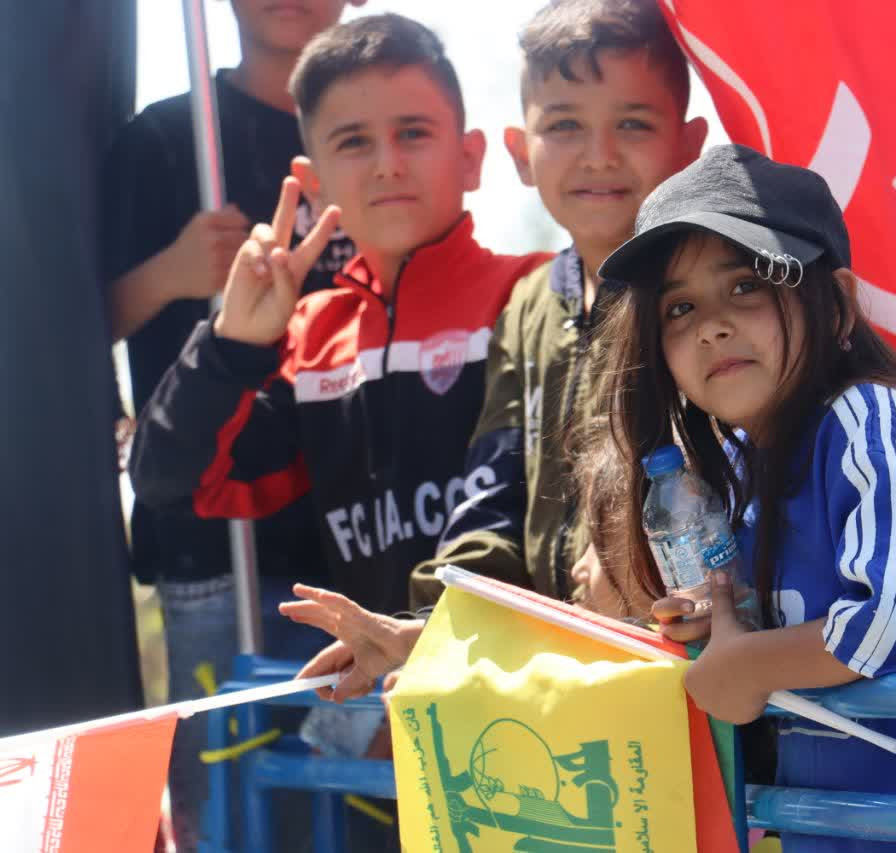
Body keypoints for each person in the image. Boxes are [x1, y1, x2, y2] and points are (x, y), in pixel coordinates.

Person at [589, 143, 896, 853]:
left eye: (746, 286)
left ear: (838, 307)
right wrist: (718, 628)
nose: (711, 326)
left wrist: (750, 663)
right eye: (680, 307)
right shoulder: (736, 473)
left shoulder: (871, 420)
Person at [128, 12, 548, 621]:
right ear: (313, 183)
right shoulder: (313, 338)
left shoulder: (533, 291)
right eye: (353, 142)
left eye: (413, 133)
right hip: (381, 677)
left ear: (470, 158)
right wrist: (233, 343)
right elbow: (169, 482)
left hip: (524, 660)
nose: (387, 165)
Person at [101, 2, 360, 846]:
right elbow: (62, 329)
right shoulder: (165, 139)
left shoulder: (372, 129)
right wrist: (174, 272)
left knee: (363, 814)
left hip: (360, 547)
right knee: (235, 820)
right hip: (213, 550)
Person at [407, 0, 706, 617]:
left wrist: (636, 549)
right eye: (565, 125)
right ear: (521, 152)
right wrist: (441, 621)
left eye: (633, 124)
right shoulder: (526, 307)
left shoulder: (705, 294)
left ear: (688, 146)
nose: (599, 155)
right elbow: (492, 493)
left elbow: (740, 466)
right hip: (557, 648)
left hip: (686, 640)